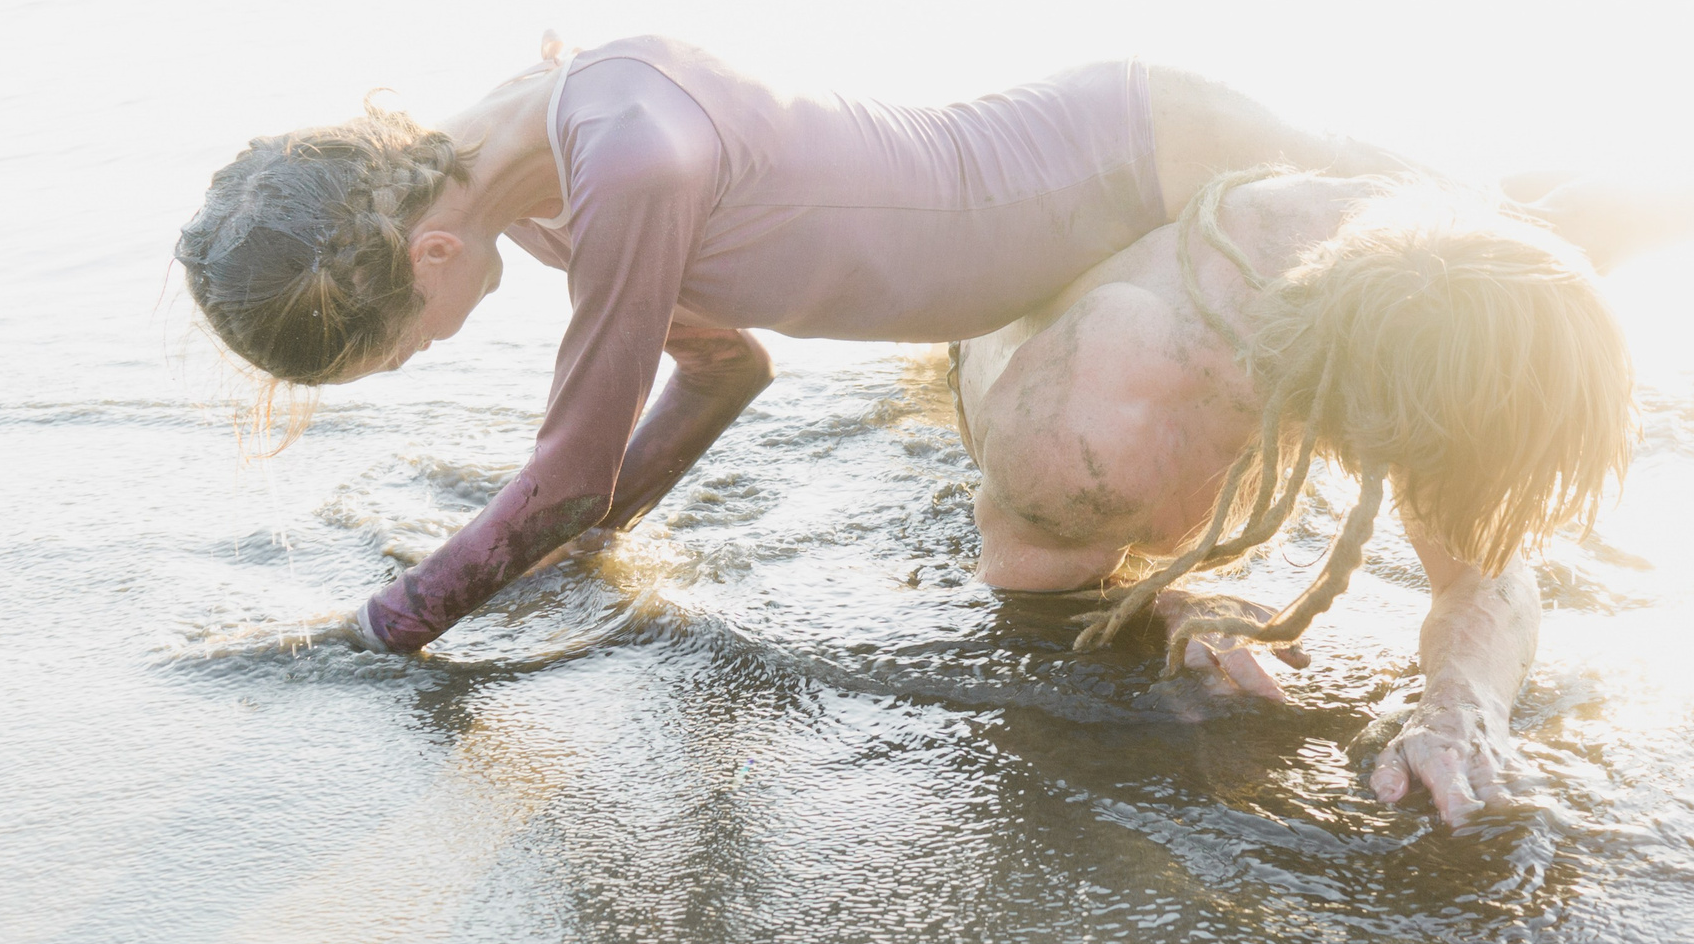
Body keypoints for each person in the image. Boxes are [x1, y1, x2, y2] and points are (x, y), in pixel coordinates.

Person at [176, 35, 1422, 652]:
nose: (427, 356)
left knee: (1495, 241)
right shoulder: (541, 187)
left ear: (425, 259)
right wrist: (583, 552)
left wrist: (381, 629)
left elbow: (564, 475)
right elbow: (728, 368)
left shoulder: (625, 162)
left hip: (1143, 152)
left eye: (400, 352)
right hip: (1081, 184)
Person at [950, 134, 1694, 824]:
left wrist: (1461, 707)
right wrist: (1171, 604)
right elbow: (1036, 599)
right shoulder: (1101, 421)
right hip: (1091, 193)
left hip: (1365, 239)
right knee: (1142, 528)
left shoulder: (1437, 257)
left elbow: (1486, 570)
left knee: (1555, 235)